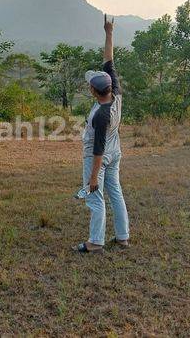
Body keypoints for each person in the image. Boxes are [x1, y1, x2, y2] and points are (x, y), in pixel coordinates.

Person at [73, 14, 130, 253]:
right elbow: (109, 59)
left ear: (93, 91)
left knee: (95, 199)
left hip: (101, 155)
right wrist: (109, 32)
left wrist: (93, 179)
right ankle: (122, 236)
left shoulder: (100, 116)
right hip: (115, 150)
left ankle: (96, 242)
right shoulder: (114, 94)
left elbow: (97, 150)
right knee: (115, 192)